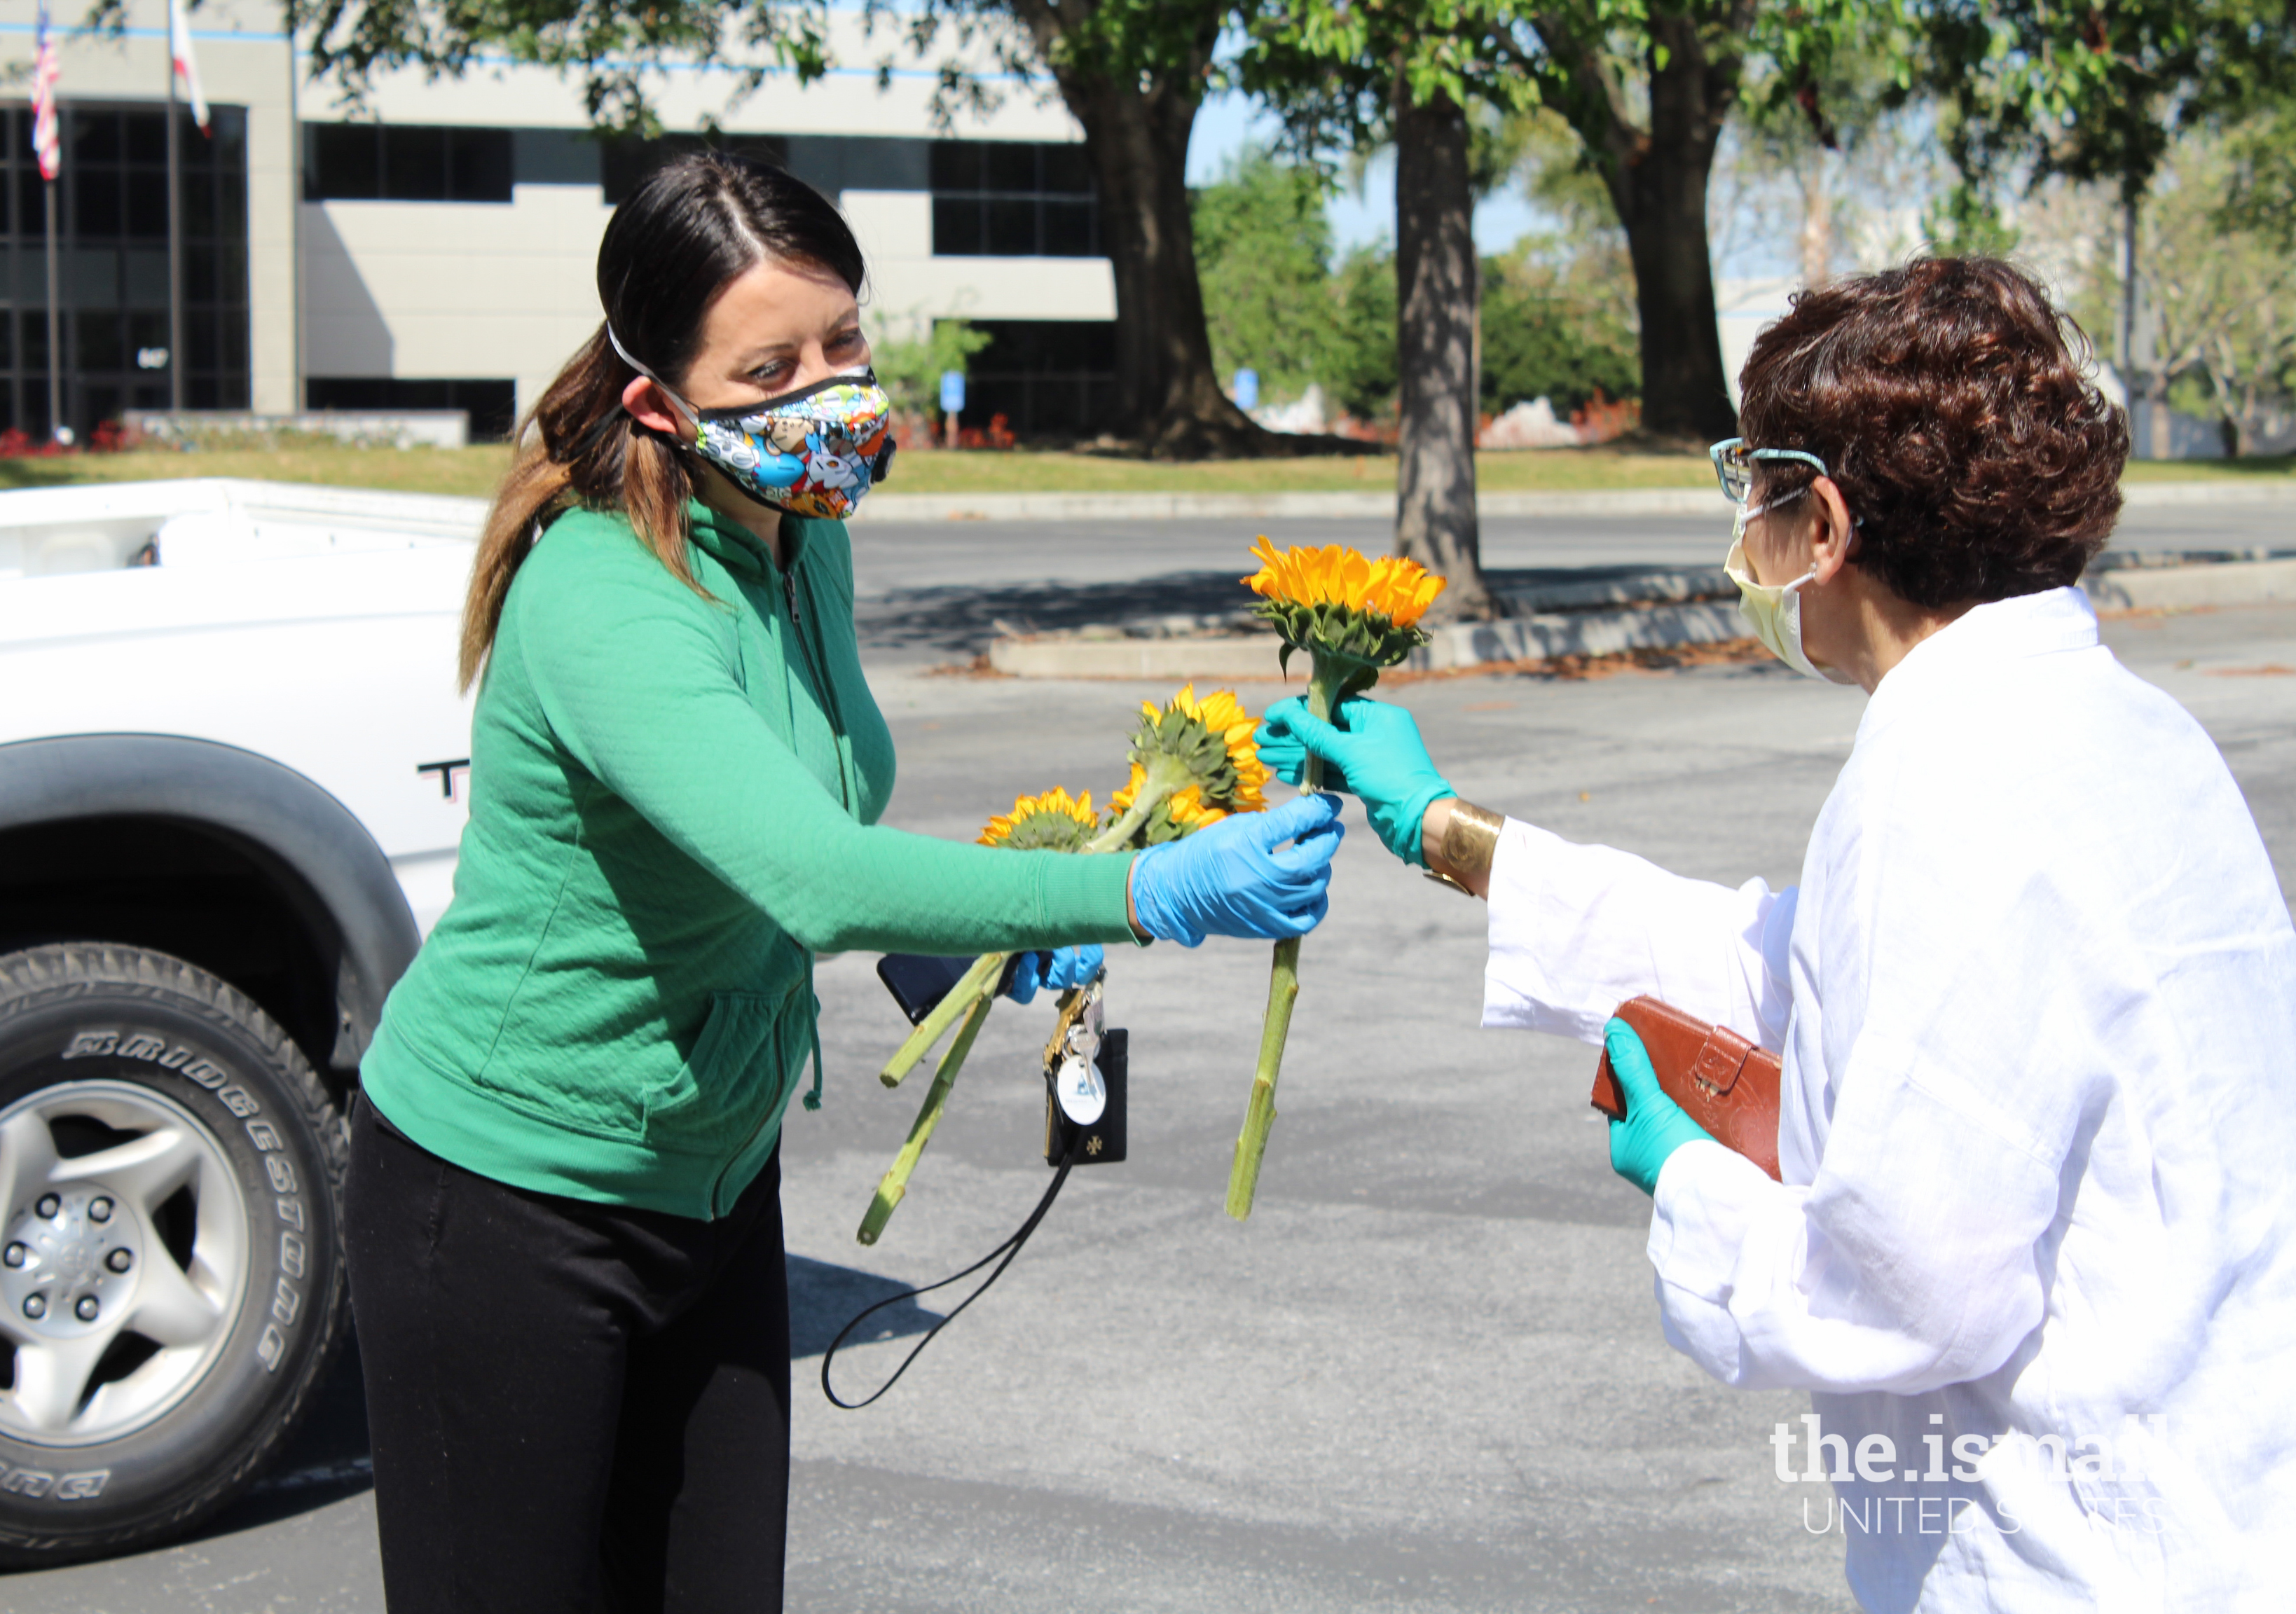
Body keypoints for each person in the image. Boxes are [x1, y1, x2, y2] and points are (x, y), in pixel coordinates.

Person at [345, 151, 1344, 1613]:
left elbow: (792, 810)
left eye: (843, 342)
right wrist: (1149, 893)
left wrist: (953, 952)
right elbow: (813, 874)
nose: (828, 390)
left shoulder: (805, 541)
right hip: (505, 1201)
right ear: (658, 403)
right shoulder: (602, 597)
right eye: (771, 367)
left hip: (713, 1179)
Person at [1257, 258, 2296, 1610]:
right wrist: (1453, 833)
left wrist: (1695, 1185)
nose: (1745, 539)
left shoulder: (1941, 786)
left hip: (2073, 1551)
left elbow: (1908, 1291)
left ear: (1826, 525)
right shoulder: (2116, 730)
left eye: (1754, 495)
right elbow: (1793, 964)